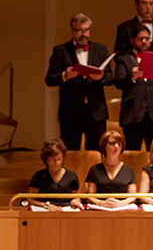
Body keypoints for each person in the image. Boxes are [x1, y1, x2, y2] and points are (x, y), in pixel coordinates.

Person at [46, 14, 111, 151]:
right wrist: (65, 75)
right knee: (70, 152)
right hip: (70, 112)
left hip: (96, 111)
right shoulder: (61, 50)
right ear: (72, 30)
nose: (83, 34)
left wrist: (102, 77)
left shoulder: (101, 49)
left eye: (86, 30)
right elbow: (49, 79)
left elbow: (111, 77)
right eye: (79, 30)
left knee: (96, 152)